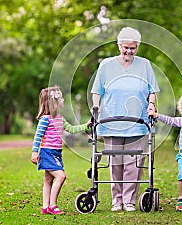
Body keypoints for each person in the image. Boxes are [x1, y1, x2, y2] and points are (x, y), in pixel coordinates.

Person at [91, 27, 160, 212]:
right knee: (115, 163)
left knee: (133, 163)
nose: (129, 51)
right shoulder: (106, 65)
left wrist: (152, 105)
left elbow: (152, 90)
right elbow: (97, 91)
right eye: (126, 47)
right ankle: (117, 200)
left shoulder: (145, 64)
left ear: (137, 47)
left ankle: (129, 200)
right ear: (118, 45)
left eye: (133, 48)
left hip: (138, 122)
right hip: (111, 121)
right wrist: (95, 108)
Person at [31, 86, 90, 215]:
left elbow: (72, 129)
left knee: (48, 179)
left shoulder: (59, 118)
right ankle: (52, 205)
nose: (63, 100)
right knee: (61, 176)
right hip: (47, 152)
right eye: (61, 98)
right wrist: (35, 152)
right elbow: (38, 136)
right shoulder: (45, 119)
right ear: (54, 102)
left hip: (56, 153)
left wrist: (86, 125)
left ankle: (45, 207)